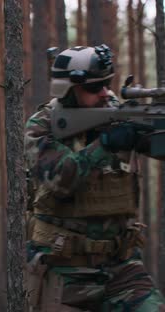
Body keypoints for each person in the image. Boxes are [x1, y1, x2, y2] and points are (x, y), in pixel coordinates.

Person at [24, 45, 165, 311]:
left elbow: (157, 147)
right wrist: (106, 145)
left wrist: (147, 132)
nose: (104, 93)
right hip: (63, 268)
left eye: (107, 84)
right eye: (94, 88)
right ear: (67, 89)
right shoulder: (41, 126)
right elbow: (61, 179)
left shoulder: (114, 111)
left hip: (121, 266)